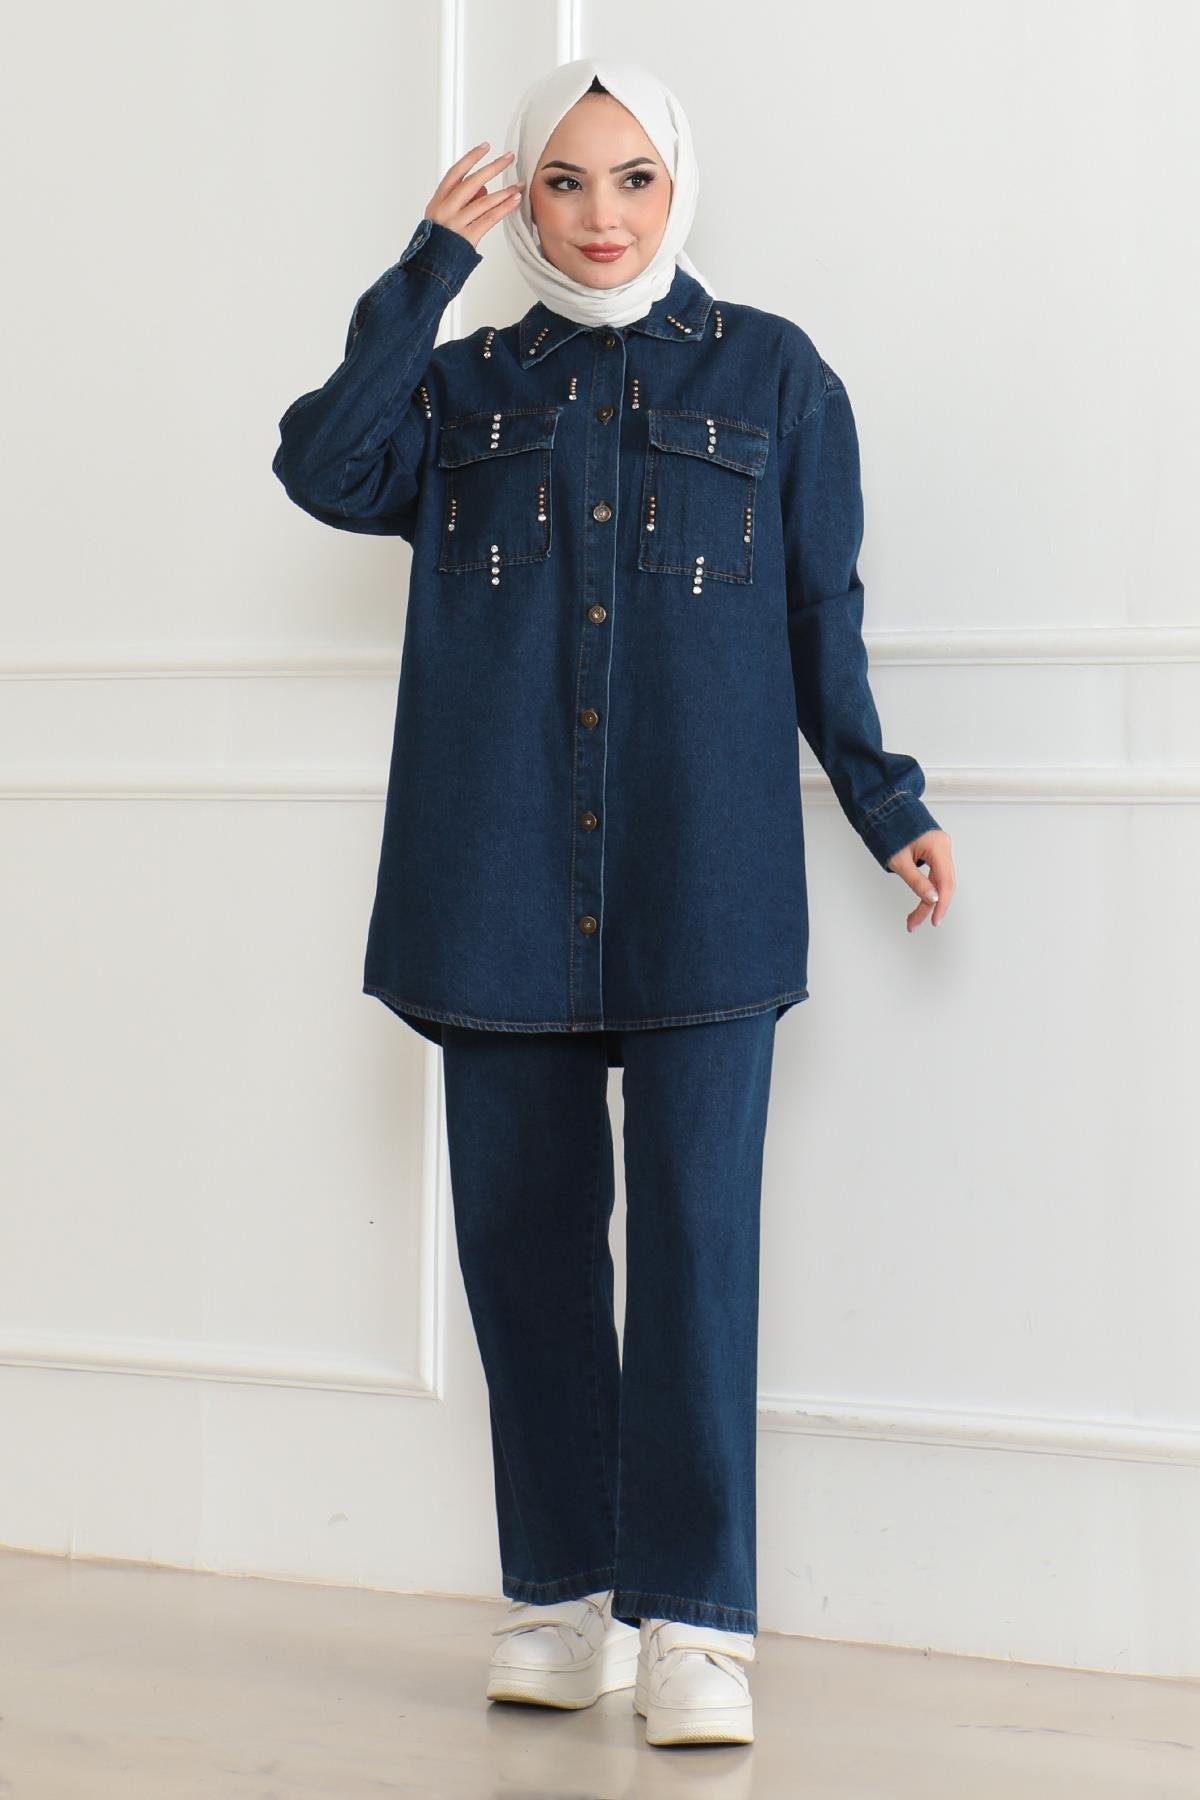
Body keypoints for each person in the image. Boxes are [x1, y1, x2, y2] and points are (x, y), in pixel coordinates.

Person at [272, 55, 956, 1751]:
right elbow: (322, 466)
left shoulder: (773, 373)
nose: (600, 216)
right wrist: (427, 267)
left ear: (678, 185)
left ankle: (698, 1625)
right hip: (494, 876)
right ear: (522, 195)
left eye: (633, 179)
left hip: (704, 878)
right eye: (563, 182)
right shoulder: (462, 386)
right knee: (523, 1252)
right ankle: (560, 1601)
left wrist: (887, 804)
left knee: (701, 1253)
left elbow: (820, 613)